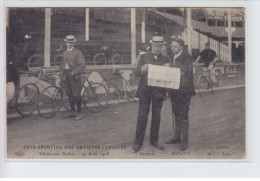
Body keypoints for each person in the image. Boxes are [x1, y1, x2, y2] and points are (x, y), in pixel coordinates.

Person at [133, 36, 170, 153]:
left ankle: (154, 141)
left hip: (158, 92)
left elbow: (167, 76)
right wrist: (142, 69)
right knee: (142, 116)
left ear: (162, 47)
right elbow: (136, 72)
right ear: (151, 45)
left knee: (156, 117)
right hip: (145, 91)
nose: (157, 48)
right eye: (155, 46)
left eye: (159, 46)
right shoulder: (144, 56)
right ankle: (138, 143)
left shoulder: (165, 59)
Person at [164, 36, 196, 151]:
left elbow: (186, 70)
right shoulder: (174, 56)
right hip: (175, 90)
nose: (172, 48)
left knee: (183, 114)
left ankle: (184, 141)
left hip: (184, 91)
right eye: (172, 46)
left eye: (175, 46)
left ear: (181, 47)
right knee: (176, 113)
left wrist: (171, 66)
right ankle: (176, 137)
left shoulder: (186, 56)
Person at [60, 35, 86, 121]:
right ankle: (72, 111)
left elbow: (82, 65)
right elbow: (62, 65)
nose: (69, 44)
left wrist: (74, 72)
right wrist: (60, 73)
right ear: (66, 43)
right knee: (69, 93)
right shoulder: (64, 53)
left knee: (77, 94)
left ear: (73, 43)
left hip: (75, 75)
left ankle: (79, 112)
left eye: (71, 43)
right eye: (68, 42)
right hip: (66, 75)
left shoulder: (78, 53)